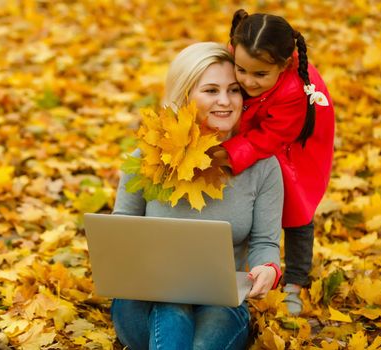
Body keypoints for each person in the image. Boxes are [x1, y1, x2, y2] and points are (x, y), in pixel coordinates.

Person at [111, 42, 284, 350]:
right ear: (184, 96)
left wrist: (267, 269)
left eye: (233, 90)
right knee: (171, 308)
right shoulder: (147, 156)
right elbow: (119, 230)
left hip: (221, 301)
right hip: (146, 299)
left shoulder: (263, 166)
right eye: (211, 91)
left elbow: (265, 244)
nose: (225, 101)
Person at [214, 9, 336, 315]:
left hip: (295, 140)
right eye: (241, 70)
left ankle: (295, 279)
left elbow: (267, 138)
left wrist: (230, 153)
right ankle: (245, 255)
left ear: (282, 66)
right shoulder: (243, 53)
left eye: (259, 75)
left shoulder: (294, 92)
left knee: (296, 203)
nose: (248, 81)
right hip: (259, 120)